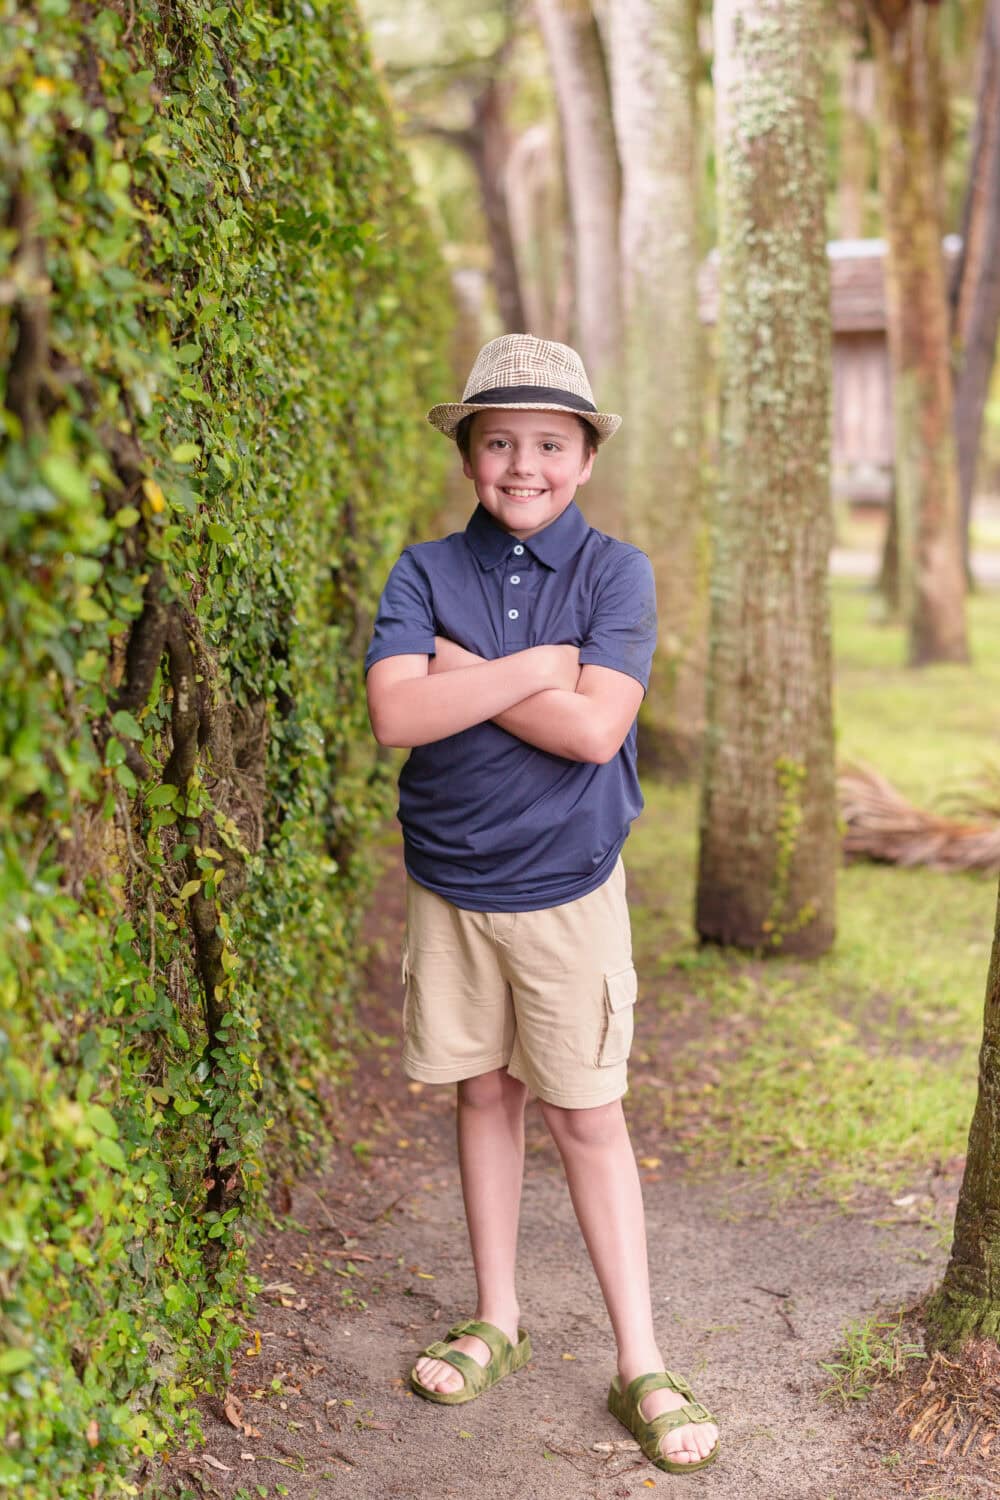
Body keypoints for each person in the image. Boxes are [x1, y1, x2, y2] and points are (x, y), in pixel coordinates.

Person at [363, 333, 719, 1475]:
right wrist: (532, 667)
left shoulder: (617, 573)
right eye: (500, 441)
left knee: (585, 1115)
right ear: (468, 451)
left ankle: (640, 1360)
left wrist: (461, 673)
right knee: (482, 1096)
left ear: (583, 459)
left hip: (568, 886)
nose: (524, 465)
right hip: (449, 881)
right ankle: (498, 1317)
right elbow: (394, 719)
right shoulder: (424, 570)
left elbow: (595, 729)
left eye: (549, 445)